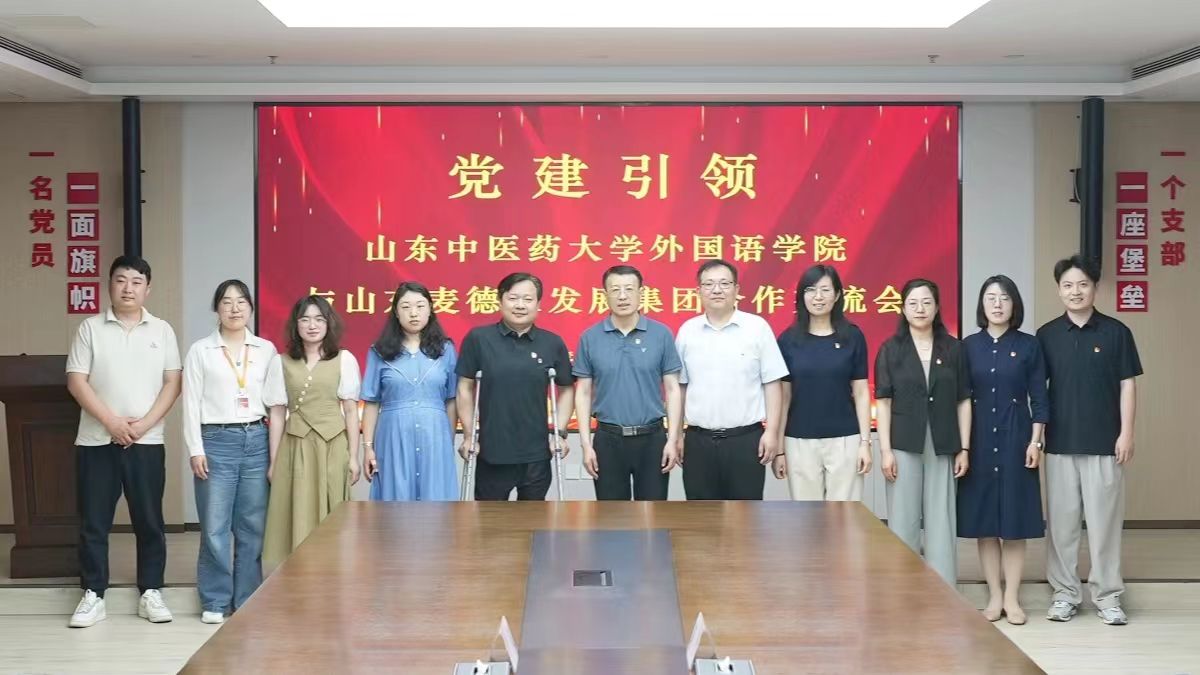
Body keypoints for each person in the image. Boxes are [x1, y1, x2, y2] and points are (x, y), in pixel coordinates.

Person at [65, 256, 182, 628]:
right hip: (96, 441)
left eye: (136, 281)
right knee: (94, 522)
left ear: (148, 288)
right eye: (121, 280)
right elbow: (76, 381)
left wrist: (143, 425)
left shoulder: (162, 330)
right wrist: (112, 422)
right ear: (109, 285)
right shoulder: (90, 328)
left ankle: (151, 591)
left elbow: (173, 383)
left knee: (149, 520)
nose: (128, 288)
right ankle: (93, 593)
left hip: (147, 441)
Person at [1038, 255, 1141, 626]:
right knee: (1061, 527)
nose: (1075, 291)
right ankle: (1065, 595)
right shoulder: (1047, 335)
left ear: (1095, 287)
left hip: (1104, 445)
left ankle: (1108, 596)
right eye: (1068, 285)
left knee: (1104, 527)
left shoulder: (1116, 332)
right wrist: (1037, 437)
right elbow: (1038, 391)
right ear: (1059, 290)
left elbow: (1127, 385)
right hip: (1059, 445)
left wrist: (1126, 432)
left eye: (1082, 284)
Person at [183, 280, 277, 624]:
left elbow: (276, 404)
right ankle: (215, 600)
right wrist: (195, 448)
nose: (234, 308)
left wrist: (275, 453)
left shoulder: (266, 349)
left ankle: (247, 598)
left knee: (252, 526)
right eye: (226, 302)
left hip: (256, 439)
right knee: (214, 525)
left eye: (241, 302)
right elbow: (191, 403)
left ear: (250, 307)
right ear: (216, 309)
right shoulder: (201, 351)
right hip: (216, 440)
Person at [957, 275, 1048, 625]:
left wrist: (1036, 441)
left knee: (1014, 521)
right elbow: (961, 399)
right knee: (985, 523)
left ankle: (1012, 597)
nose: (997, 304)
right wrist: (963, 447)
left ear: (1014, 304)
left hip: (1016, 439)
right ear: (981, 304)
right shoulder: (968, 347)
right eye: (991, 297)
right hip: (979, 440)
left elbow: (1039, 397)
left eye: (1004, 298)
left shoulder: (1029, 345)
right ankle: (994, 595)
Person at [875, 278, 971, 585]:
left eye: (927, 302)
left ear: (937, 307)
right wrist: (885, 451)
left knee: (942, 517)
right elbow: (883, 403)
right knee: (903, 519)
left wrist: (964, 448)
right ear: (903, 308)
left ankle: (944, 589)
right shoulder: (891, 350)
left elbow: (964, 400)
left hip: (943, 441)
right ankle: (903, 590)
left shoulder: (954, 348)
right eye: (913, 303)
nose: (920, 309)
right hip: (904, 442)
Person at [675, 260, 787, 500]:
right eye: (709, 284)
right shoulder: (687, 331)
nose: (717, 290)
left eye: (725, 284)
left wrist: (772, 433)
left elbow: (772, 384)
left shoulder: (757, 327)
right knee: (700, 514)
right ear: (699, 291)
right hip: (698, 441)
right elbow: (679, 388)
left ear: (737, 289)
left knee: (746, 515)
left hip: (746, 441)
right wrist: (676, 436)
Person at [456, 272, 573, 501]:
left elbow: (567, 389)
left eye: (528, 299)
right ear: (500, 301)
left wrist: (559, 433)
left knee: (532, 519)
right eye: (513, 298)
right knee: (490, 520)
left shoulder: (552, 343)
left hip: (537, 455)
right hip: (492, 453)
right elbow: (464, 388)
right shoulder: (479, 339)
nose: (520, 305)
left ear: (538, 305)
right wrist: (469, 435)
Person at [262, 296, 361, 565]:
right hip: (295, 446)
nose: (312, 325)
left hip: (333, 445)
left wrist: (354, 457)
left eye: (319, 319)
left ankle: (333, 573)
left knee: (333, 511)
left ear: (329, 324)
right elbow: (277, 415)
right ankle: (294, 574)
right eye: (305, 319)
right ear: (296, 325)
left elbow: (351, 411)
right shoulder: (281, 362)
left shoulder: (344, 359)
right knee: (295, 509)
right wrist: (274, 461)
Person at [574, 265, 683, 500]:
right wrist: (585, 445)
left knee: (653, 514)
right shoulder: (590, 337)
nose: (622, 296)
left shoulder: (661, 334)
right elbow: (582, 392)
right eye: (615, 290)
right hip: (607, 439)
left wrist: (673, 439)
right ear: (605, 295)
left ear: (641, 293)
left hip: (652, 438)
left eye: (629, 289)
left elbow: (673, 389)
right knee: (611, 515)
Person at [774, 264, 872, 501]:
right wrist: (779, 450)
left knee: (845, 515)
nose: (818, 297)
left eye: (825, 290)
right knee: (806, 517)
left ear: (837, 295)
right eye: (810, 290)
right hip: (799, 440)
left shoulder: (853, 336)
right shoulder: (788, 340)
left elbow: (861, 392)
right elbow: (783, 398)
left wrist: (865, 443)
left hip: (845, 439)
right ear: (801, 296)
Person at [360, 282, 458, 501]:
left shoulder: (446, 350)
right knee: (395, 502)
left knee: (436, 503)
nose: (414, 313)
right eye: (405, 307)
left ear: (430, 309)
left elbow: (452, 400)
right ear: (396, 312)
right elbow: (372, 402)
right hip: (393, 438)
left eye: (420, 306)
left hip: (435, 437)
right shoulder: (379, 351)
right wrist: (368, 448)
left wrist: (448, 441)